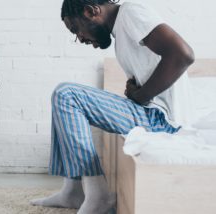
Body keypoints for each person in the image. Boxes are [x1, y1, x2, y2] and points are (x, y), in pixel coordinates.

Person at [30, 0, 195, 213]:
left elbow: (182, 55)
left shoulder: (132, 13)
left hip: (162, 120)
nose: (80, 39)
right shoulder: (121, 31)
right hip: (151, 112)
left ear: (90, 11)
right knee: (61, 97)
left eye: (76, 30)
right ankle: (72, 191)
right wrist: (135, 90)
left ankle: (98, 196)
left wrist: (141, 96)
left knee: (66, 94)